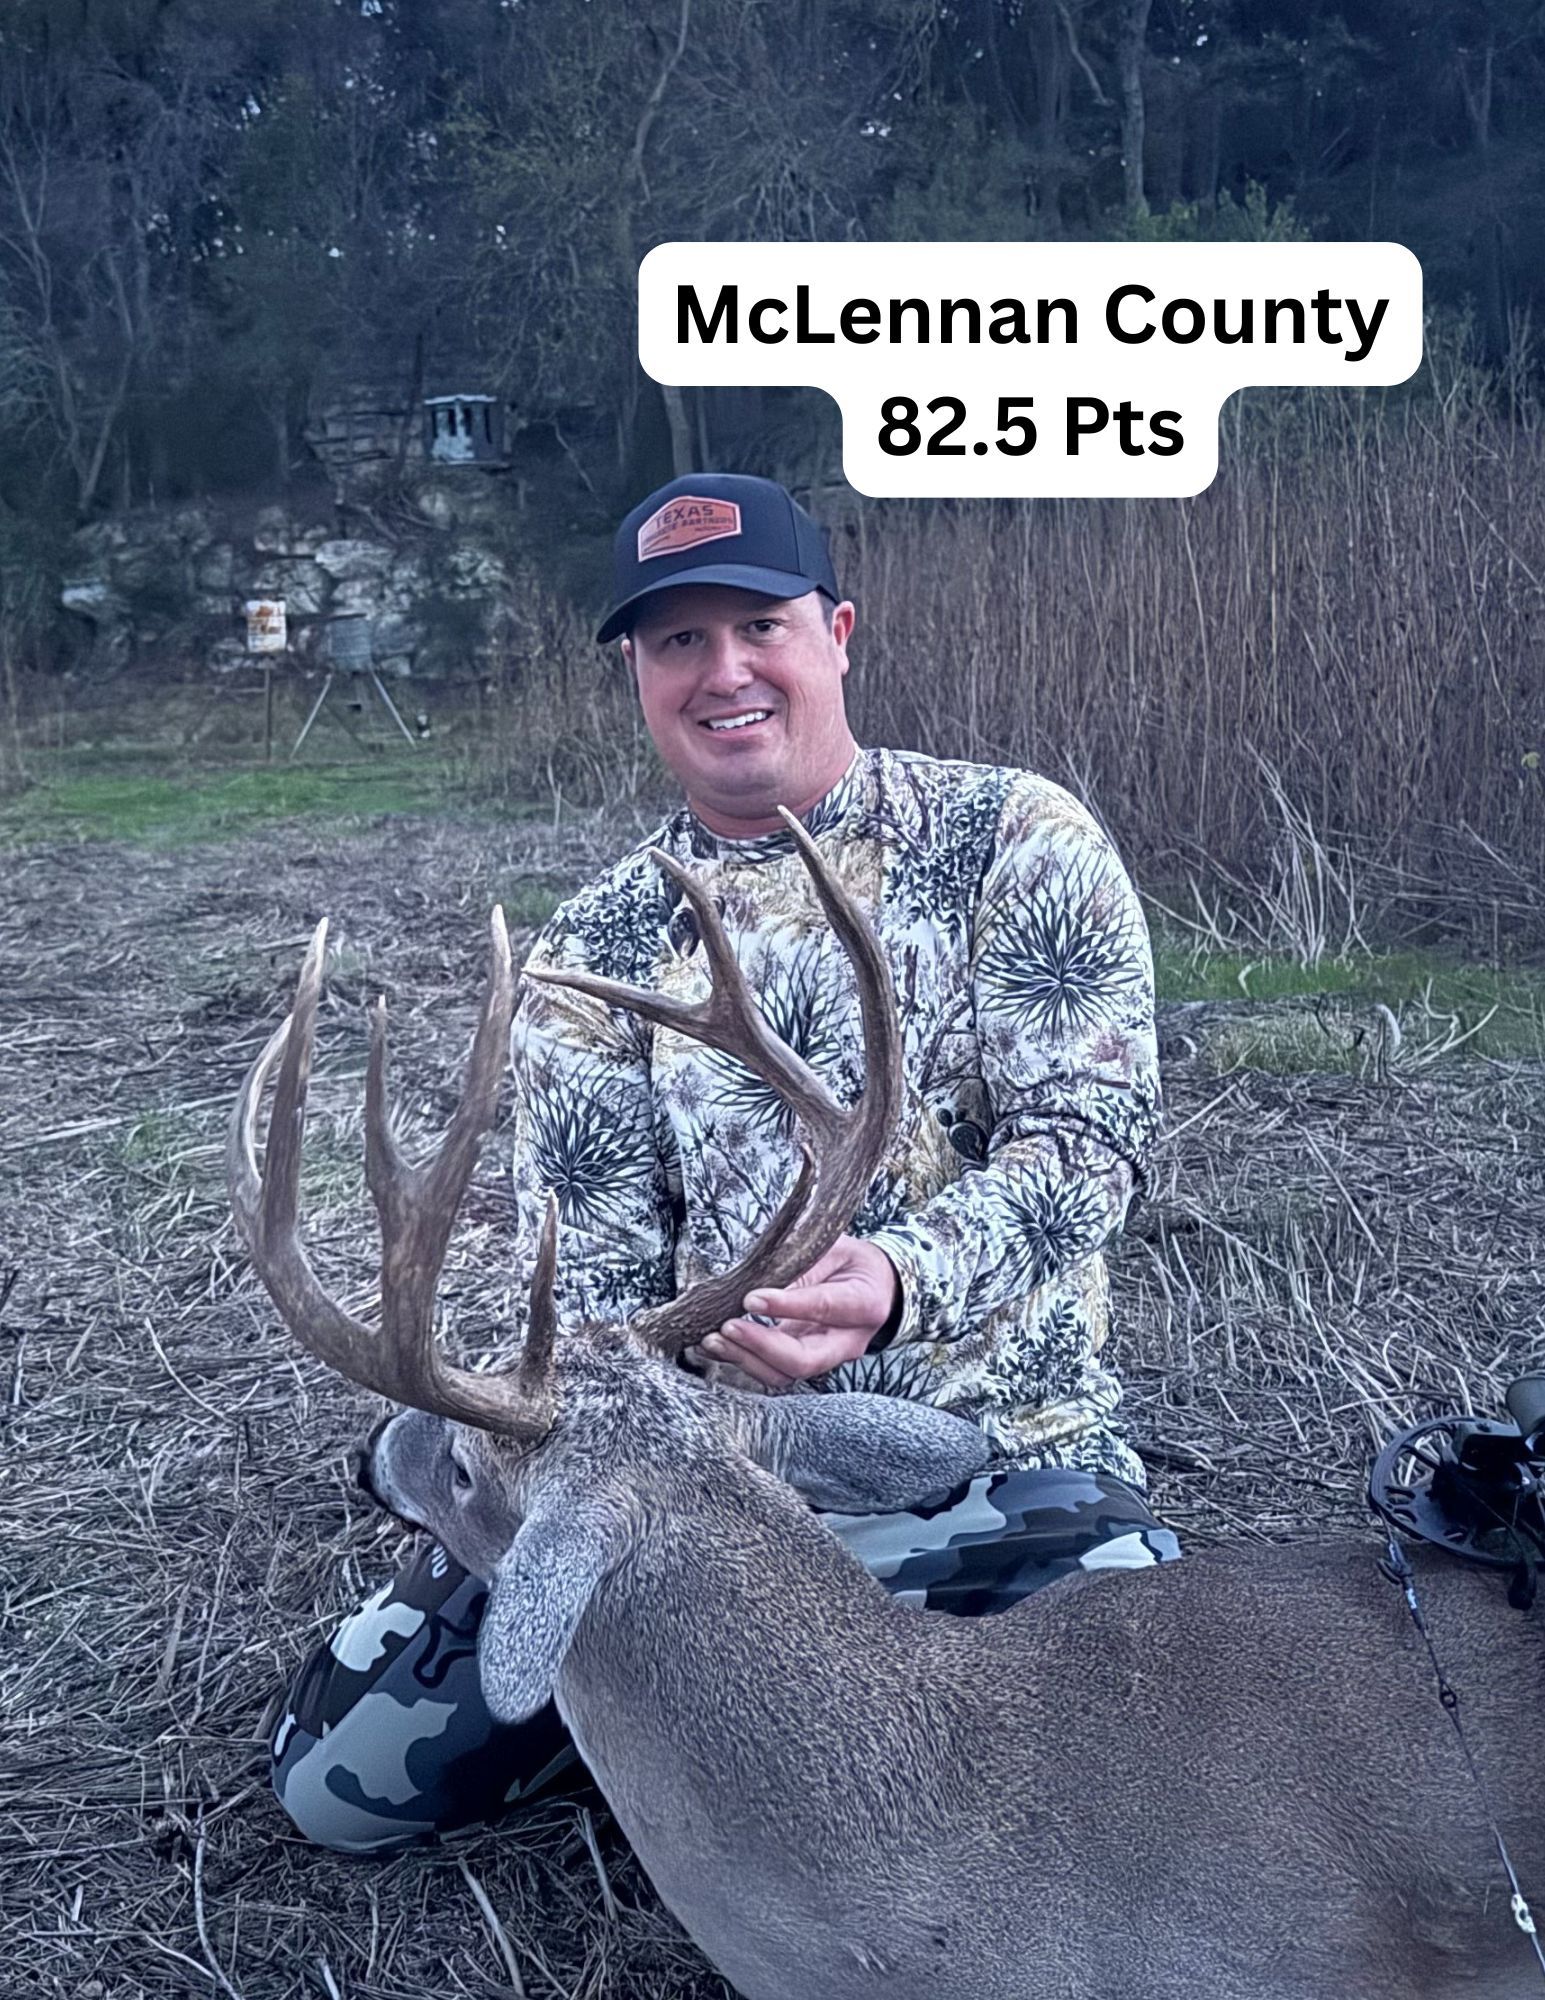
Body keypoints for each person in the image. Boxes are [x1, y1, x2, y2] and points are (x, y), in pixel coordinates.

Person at [271, 473, 1177, 1853]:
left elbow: (1092, 1142)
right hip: (700, 1484)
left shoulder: (1014, 839)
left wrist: (900, 1283)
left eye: (760, 625)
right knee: (339, 1791)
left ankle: (699, 1726)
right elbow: (590, 1288)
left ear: (837, 634)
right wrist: (641, 1399)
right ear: (639, 674)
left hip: (1000, 1462)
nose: (725, 671)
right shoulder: (597, 948)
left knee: (1140, 1770)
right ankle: (676, 1713)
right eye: (678, 641)